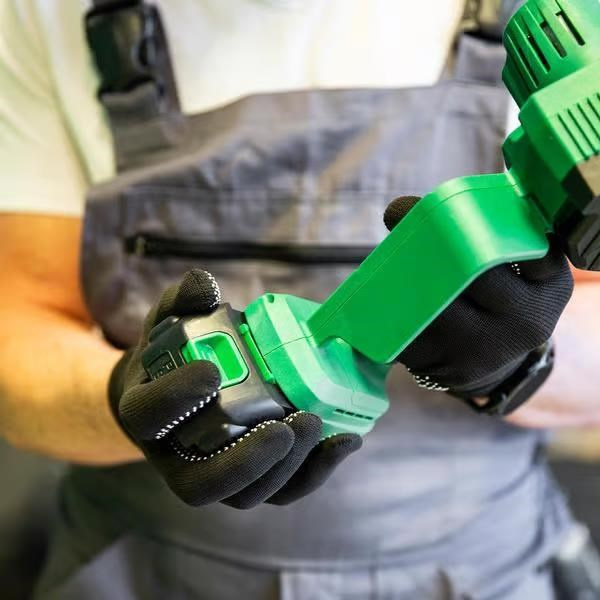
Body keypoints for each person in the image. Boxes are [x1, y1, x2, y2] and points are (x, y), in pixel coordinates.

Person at [0, 0, 597, 598]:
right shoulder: (47, 14)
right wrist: (124, 400)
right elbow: (21, 328)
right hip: (141, 571)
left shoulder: (566, 29)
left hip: (479, 570)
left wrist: (520, 362)